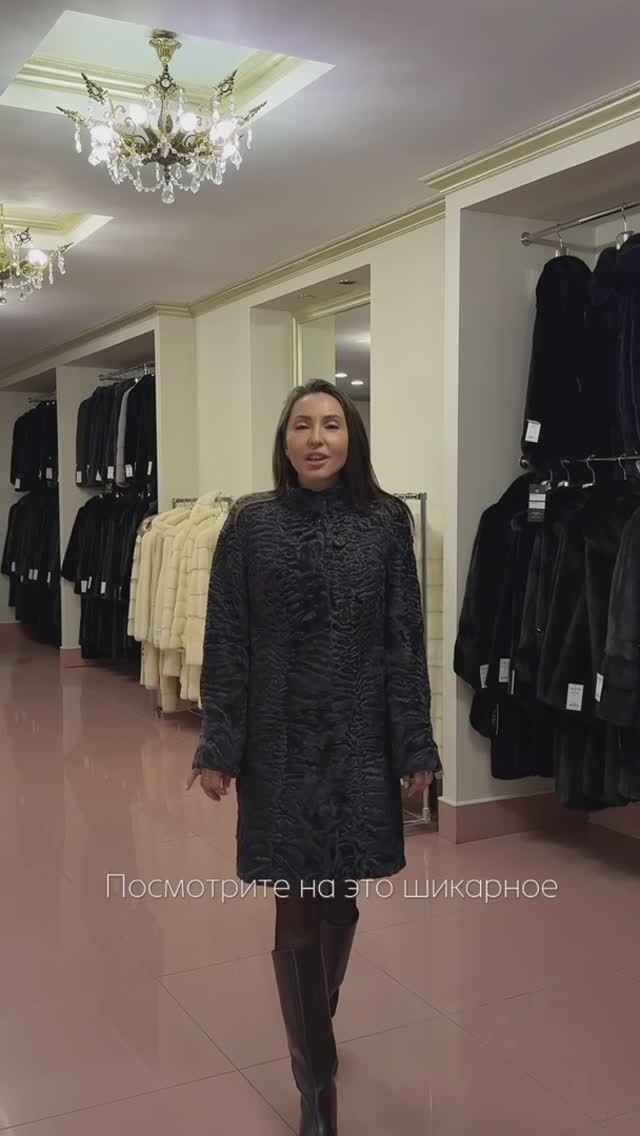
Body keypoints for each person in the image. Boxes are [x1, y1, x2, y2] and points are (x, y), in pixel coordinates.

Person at [187, 379, 441, 1135]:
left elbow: (404, 640)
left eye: (331, 424)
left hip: (360, 746)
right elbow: (227, 639)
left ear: (351, 437)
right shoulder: (251, 523)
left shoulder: (385, 522)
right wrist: (219, 742)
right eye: (302, 425)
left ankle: (315, 1015)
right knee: (295, 910)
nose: (317, 438)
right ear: (285, 441)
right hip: (281, 748)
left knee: (341, 900)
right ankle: (316, 1091)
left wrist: (416, 745)